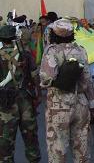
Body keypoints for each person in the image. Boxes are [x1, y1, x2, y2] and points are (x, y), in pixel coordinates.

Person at [40, 19, 94, 163]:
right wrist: (93, 104)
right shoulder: (81, 50)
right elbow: (87, 80)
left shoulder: (52, 51)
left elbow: (47, 79)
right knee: (82, 149)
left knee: (57, 148)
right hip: (81, 103)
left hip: (59, 105)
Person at [0, 25, 41, 163]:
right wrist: (38, 95)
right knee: (31, 137)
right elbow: (35, 76)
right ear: (14, 38)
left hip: (5, 104)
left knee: (5, 141)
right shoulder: (25, 53)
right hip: (25, 100)